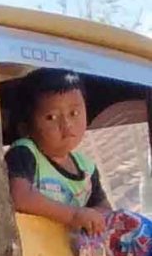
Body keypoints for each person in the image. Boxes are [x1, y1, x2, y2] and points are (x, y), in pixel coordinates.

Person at [6, 68, 110, 237]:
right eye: (51, 117)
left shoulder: (86, 168)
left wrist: (95, 218)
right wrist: (73, 215)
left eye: (74, 113)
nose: (67, 125)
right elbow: (20, 197)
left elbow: (104, 209)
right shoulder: (25, 152)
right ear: (25, 126)